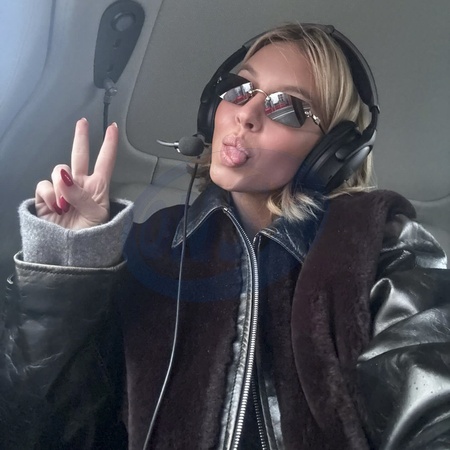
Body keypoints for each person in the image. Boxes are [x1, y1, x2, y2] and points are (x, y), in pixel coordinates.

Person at [2, 22, 450, 450]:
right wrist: (70, 265)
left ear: (334, 153)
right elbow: (45, 430)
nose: (246, 114)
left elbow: (431, 396)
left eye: (287, 107)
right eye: (240, 88)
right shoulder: (153, 248)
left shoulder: (379, 241)